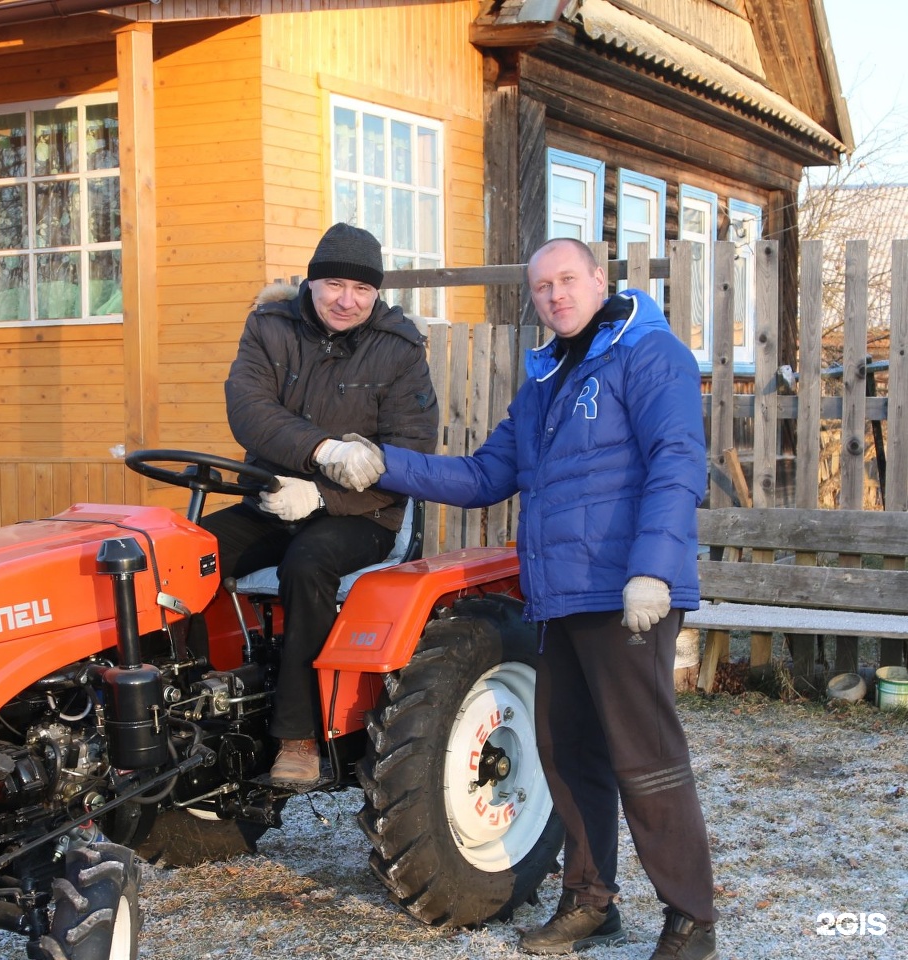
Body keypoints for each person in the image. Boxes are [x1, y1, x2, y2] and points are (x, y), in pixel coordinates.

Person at [345, 238, 717, 959]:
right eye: (542, 286)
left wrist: (653, 568)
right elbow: (485, 475)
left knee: (646, 758)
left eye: (567, 280)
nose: (555, 295)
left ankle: (691, 918)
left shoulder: (649, 353)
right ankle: (589, 901)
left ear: (600, 280)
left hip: (626, 592)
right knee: (567, 754)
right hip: (561, 596)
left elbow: (678, 460)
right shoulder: (545, 382)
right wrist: (383, 463)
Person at [201, 222, 439, 785]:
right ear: (311, 283)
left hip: (366, 514)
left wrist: (325, 492)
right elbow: (250, 410)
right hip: (273, 502)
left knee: (306, 563)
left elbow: (408, 455)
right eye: (334, 284)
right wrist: (322, 451)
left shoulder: (400, 350)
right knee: (189, 556)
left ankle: (299, 737)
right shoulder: (269, 327)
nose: (346, 300)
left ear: (377, 294)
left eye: (361, 290)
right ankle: (197, 708)